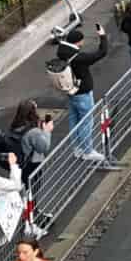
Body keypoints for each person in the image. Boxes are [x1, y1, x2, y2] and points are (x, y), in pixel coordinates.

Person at [55, 25, 108, 160]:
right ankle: (87, 151)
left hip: (71, 91)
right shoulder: (79, 58)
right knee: (86, 122)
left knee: (74, 120)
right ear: (78, 42)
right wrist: (102, 36)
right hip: (82, 93)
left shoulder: (62, 52)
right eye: (82, 41)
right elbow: (101, 53)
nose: (83, 43)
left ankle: (77, 149)